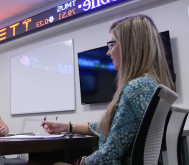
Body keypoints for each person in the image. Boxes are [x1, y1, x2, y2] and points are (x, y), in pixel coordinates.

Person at [41, 14, 175, 165]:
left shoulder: (135, 88)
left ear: (130, 45)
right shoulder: (149, 84)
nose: (108, 52)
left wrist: (82, 162)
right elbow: (114, 127)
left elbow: (108, 156)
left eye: (111, 44)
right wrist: (67, 126)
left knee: (40, 161)